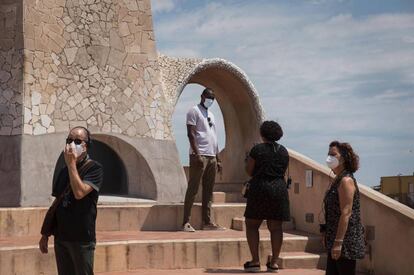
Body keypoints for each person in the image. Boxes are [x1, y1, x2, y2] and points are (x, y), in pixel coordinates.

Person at [39, 126, 103, 275]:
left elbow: (79, 193)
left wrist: (72, 164)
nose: (72, 144)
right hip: (61, 237)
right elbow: (57, 203)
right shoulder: (64, 170)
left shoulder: (94, 168)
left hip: (81, 239)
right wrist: (45, 233)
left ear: (86, 146)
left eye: (77, 141)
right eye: (69, 140)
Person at [243, 120, 290, 273]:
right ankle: (274, 263)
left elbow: (249, 171)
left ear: (263, 134)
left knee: (252, 224)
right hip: (279, 189)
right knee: (276, 227)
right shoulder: (283, 151)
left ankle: (255, 261)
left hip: (260, 188)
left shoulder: (257, 150)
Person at [182, 88, 224, 232]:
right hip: (199, 156)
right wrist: (197, 153)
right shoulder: (193, 111)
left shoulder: (211, 114)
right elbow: (191, 134)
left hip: (212, 156)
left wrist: (218, 159)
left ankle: (207, 222)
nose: (210, 100)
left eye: (212, 98)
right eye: (208, 97)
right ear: (202, 96)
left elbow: (214, 138)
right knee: (193, 188)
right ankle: (185, 222)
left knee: (209, 190)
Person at [322, 141, 365, 275]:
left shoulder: (346, 181)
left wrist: (338, 243)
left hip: (345, 241)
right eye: (328, 154)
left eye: (333, 154)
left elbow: (346, 213)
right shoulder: (338, 179)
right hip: (334, 237)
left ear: (344, 158)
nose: (329, 157)